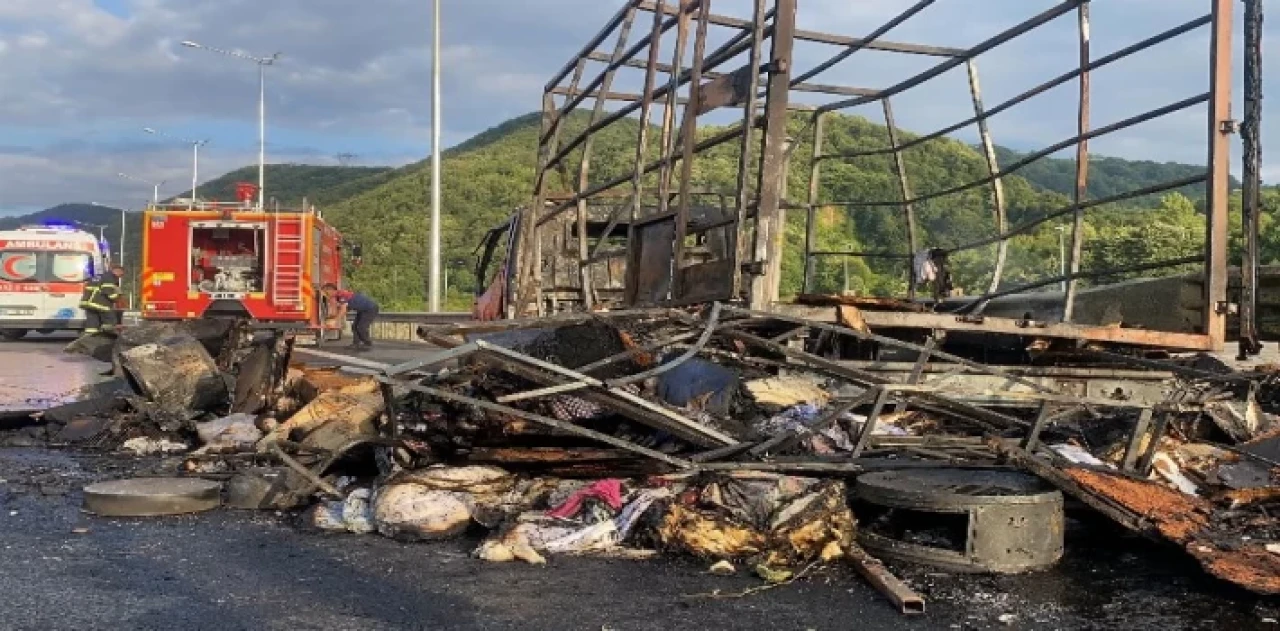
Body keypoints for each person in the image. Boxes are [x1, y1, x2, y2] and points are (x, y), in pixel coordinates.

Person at [321, 283, 379, 350]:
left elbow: (343, 309)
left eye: (326, 292)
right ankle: (356, 344)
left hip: (370, 309)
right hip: (363, 310)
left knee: (361, 327)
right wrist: (333, 316)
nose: (326, 295)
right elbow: (346, 308)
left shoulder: (341, 294)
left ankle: (368, 343)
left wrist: (335, 320)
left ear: (331, 290)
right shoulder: (338, 296)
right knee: (354, 326)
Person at [79, 264, 126, 337]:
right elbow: (108, 292)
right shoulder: (110, 277)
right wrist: (117, 299)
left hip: (88, 304)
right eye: (121, 274)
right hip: (100, 304)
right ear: (117, 271)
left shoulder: (98, 277)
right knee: (110, 321)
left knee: (92, 325)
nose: (120, 277)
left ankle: (89, 338)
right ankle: (107, 337)